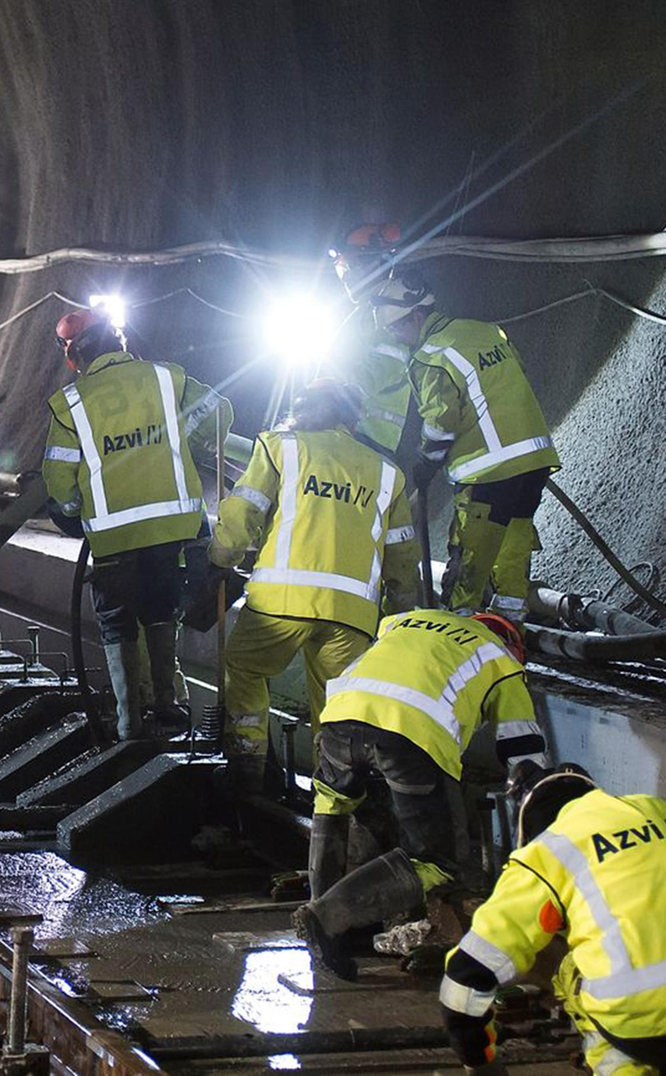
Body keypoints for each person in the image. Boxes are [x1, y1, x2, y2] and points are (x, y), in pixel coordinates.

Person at [293, 610, 548, 981]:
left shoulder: (407, 621)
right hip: (409, 737)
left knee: (332, 802)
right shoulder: (500, 659)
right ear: (513, 644)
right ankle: (325, 917)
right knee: (437, 860)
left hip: (340, 716)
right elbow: (524, 757)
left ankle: (330, 927)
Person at [207, 379, 422, 793]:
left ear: (304, 409)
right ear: (354, 418)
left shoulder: (281, 447)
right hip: (353, 615)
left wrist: (219, 558)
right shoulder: (386, 473)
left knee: (247, 669)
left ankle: (247, 767)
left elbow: (242, 515)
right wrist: (400, 610)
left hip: (280, 602)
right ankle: (337, 788)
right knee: (339, 702)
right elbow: (401, 554)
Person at [42, 304, 231, 739]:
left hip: (113, 541)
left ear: (74, 357)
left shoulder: (69, 404)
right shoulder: (167, 378)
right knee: (160, 609)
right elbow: (220, 417)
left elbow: (59, 482)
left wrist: (72, 516)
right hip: (177, 533)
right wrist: (189, 439)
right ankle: (167, 706)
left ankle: (129, 723)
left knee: (116, 620)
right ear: (119, 340)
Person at [440, 763, 666, 1076]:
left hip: (642, 1027)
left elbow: (463, 983)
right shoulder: (651, 809)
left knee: (576, 971)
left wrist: (482, 1064)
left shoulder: (543, 857)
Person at [370, 270, 560, 625]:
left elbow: (441, 422)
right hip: (534, 459)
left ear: (416, 315)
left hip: (487, 469)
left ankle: (460, 628)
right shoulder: (485, 330)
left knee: (469, 557)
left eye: (397, 328)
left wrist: (424, 465)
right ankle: (510, 625)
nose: (397, 336)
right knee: (513, 542)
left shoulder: (429, 357)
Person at [327, 222, 416, 460]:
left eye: (350, 267)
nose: (346, 277)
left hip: (366, 442)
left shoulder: (391, 308)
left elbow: (382, 368)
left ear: (377, 262)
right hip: (346, 432)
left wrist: (323, 401)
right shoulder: (365, 312)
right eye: (342, 269)